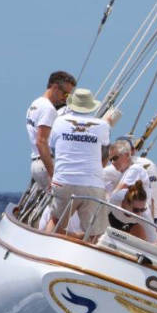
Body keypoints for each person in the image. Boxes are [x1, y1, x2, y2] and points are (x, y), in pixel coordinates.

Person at [46, 88, 110, 238]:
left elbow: (54, 149)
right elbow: (105, 151)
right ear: (90, 106)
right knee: (95, 233)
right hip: (93, 184)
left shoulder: (59, 121)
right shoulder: (102, 125)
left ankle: (47, 249)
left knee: (56, 221)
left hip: (64, 181)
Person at [26, 71, 76, 188]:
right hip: (45, 163)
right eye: (65, 94)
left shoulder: (35, 104)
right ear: (55, 87)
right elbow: (41, 141)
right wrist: (53, 173)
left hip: (36, 163)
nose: (65, 99)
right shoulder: (48, 109)